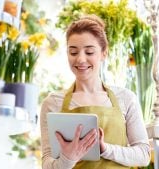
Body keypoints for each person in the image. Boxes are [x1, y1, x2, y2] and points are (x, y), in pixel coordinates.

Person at [40, 15, 150, 169]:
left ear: (104, 53)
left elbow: (144, 155)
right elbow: (47, 164)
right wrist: (68, 158)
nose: (80, 59)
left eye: (89, 52)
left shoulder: (125, 98)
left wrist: (105, 149)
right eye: (73, 52)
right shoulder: (53, 102)